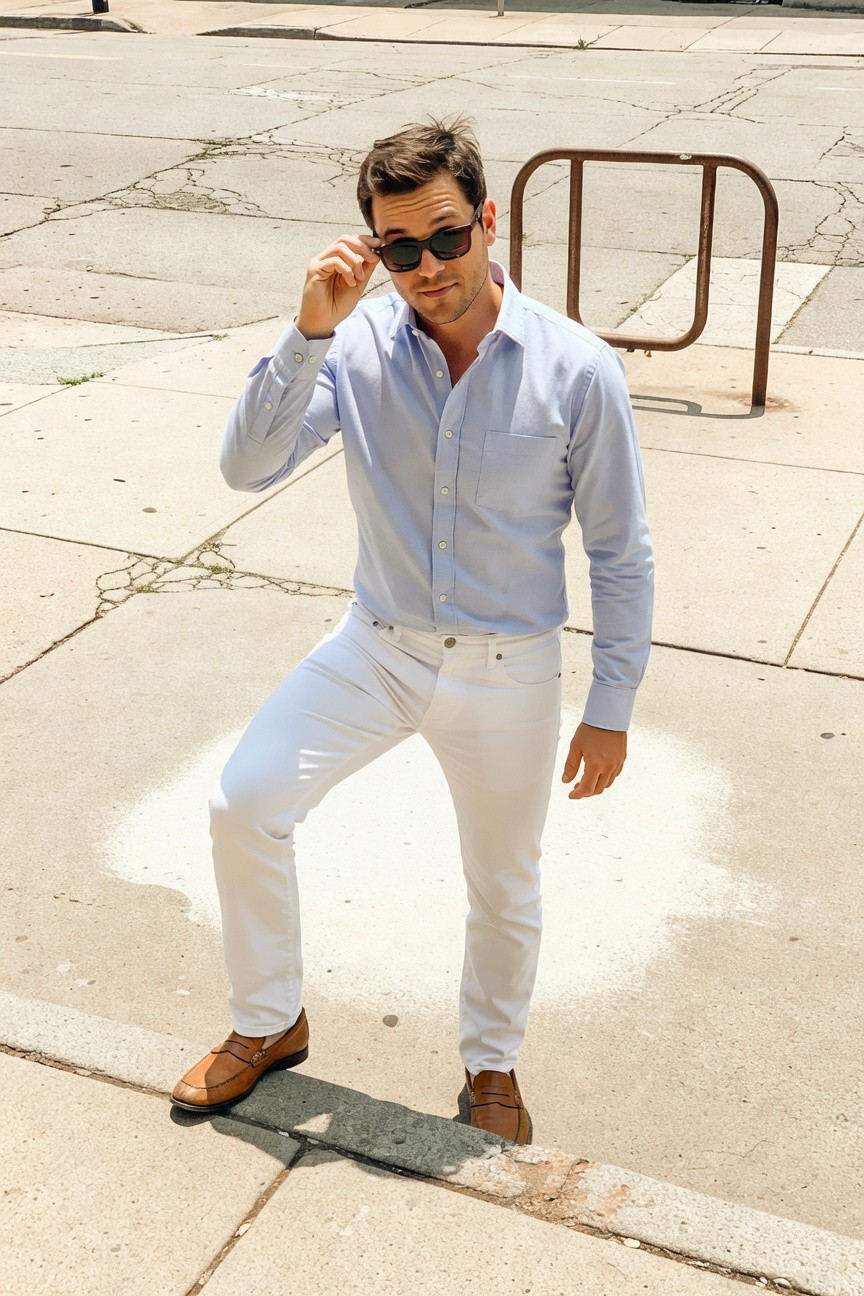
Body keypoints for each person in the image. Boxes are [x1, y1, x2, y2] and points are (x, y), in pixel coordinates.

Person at [171, 118, 654, 1144]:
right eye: (401, 250)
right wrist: (304, 335)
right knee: (242, 801)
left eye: (445, 238)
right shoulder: (353, 348)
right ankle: (270, 1022)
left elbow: (621, 552)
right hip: (378, 646)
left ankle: (491, 1061)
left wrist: (609, 707)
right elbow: (247, 468)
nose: (429, 268)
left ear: (487, 222)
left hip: (508, 670)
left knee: (503, 880)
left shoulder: (578, 369)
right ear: (374, 251)